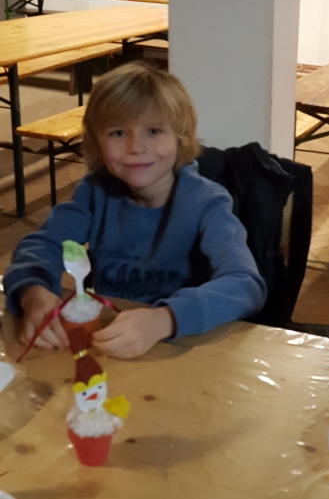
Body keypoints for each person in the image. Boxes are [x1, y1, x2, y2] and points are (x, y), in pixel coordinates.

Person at [3, 61, 267, 359]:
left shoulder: (207, 202)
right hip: (109, 344)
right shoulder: (95, 192)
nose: (135, 147)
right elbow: (42, 244)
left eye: (154, 130)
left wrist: (164, 320)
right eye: (118, 133)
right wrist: (33, 292)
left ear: (180, 138)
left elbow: (245, 285)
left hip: (182, 348)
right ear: (96, 142)